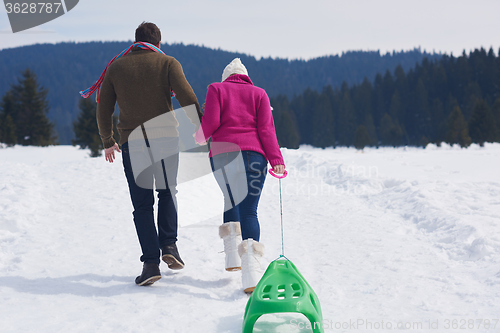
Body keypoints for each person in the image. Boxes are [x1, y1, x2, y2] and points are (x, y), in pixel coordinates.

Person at [94, 22, 202, 286]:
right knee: (167, 192)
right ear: (158, 43)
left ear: (135, 41)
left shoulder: (117, 67)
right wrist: (202, 126)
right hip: (166, 138)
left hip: (133, 142)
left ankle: (151, 264)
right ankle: (170, 247)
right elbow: (187, 96)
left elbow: (103, 107)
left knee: (142, 205)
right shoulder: (167, 63)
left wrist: (108, 140)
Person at [194, 58, 285, 293]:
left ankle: (232, 259)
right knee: (249, 210)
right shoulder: (260, 94)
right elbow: (266, 129)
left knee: (229, 199)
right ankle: (251, 275)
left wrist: (200, 137)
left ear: (226, 77)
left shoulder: (216, 89)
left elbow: (212, 121)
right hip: (254, 157)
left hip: (223, 155)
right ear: (245, 76)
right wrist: (276, 160)